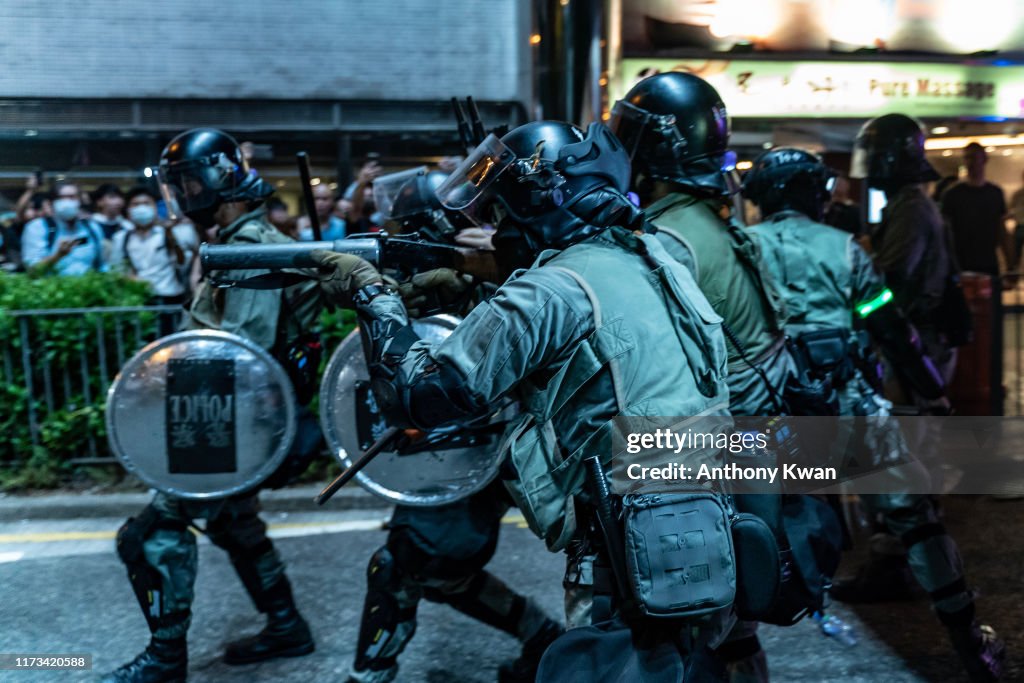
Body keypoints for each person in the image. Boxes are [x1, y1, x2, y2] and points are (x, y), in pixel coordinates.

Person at [312, 120, 734, 679]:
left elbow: (421, 395)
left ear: (540, 205)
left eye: (500, 211)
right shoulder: (649, 258)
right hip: (705, 527)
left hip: (624, 553)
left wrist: (372, 295)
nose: (492, 228)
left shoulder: (551, 289)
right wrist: (466, 281)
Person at [743, 146, 1004, 683]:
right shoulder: (842, 249)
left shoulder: (740, 248)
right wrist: (932, 392)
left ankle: (732, 662)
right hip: (850, 407)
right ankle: (970, 647)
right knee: (916, 521)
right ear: (812, 192)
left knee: (734, 532)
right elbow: (888, 324)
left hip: (768, 415)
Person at [101, 129, 319, 683]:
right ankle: (286, 624)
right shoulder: (239, 242)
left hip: (226, 425)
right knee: (232, 523)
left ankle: (166, 659)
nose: (186, 194)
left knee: (148, 536)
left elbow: (237, 355)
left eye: (192, 181)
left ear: (222, 179)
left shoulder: (248, 251)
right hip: (235, 423)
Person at [610, 71, 800, 681]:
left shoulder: (666, 239)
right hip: (757, 439)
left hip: (719, 451)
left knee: (676, 613)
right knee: (730, 622)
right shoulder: (708, 222)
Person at [344, 168, 561, 683]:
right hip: (464, 440)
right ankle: (546, 638)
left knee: (414, 560)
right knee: (430, 567)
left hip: (493, 439)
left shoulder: (517, 268)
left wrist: (487, 274)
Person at [109, 187, 198, 336]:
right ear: (128, 210)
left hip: (170, 299)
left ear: (155, 208)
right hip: (139, 301)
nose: (141, 208)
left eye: (146, 203)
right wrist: (131, 279)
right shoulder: (121, 238)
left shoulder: (170, 233)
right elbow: (116, 271)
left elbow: (182, 262)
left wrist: (171, 237)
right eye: (135, 204)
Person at [941, 143, 1015, 277]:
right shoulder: (953, 194)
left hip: (987, 261)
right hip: (961, 262)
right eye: (967, 158)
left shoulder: (994, 193)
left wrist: (1010, 265)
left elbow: (1002, 230)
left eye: (973, 158)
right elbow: (945, 232)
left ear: (984, 160)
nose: (970, 163)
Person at [21, 180, 106, 276]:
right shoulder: (37, 227)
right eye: (61, 198)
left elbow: (101, 266)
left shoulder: (92, 228)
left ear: (80, 201)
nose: (67, 202)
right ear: (52, 202)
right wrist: (58, 256)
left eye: (72, 197)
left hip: (87, 288)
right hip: (51, 288)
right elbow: (32, 270)